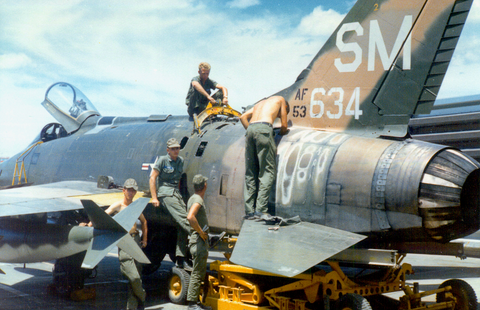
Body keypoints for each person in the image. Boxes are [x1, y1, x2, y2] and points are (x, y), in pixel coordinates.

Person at [85, 178, 147, 310]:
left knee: (137, 276)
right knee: (134, 277)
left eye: (133, 190)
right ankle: (142, 296)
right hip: (124, 241)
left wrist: (145, 239)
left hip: (136, 240)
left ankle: (133, 307)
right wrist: (89, 225)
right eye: (129, 190)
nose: (131, 193)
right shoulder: (118, 205)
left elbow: (144, 222)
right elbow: (103, 215)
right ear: (124, 191)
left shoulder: (135, 206)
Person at [239, 96, 290, 220]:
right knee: (267, 171)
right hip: (264, 128)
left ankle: (249, 211)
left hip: (250, 129)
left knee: (250, 172)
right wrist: (281, 133)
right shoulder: (281, 100)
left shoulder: (260, 103)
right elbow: (284, 125)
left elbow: (242, 117)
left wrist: (254, 132)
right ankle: (261, 210)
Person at [149, 138, 192, 270]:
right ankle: (202, 235)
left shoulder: (180, 161)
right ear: (168, 150)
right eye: (173, 149)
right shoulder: (162, 160)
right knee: (185, 220)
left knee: (180, 225)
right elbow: (153, 178)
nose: (175, 151)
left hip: (176, 194)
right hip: (165, 193)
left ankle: (180, 258)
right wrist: (154, 197)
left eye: (177, 148)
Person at [186, 174, 212, 310]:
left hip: (196, 241)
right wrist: (201, 232)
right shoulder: (197, 200)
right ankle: (192, 303)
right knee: (197, 272)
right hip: (198, 241)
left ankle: (196, 302)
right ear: (205, 186)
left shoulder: (192, 198)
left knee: (199, 272)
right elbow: (190, 217)